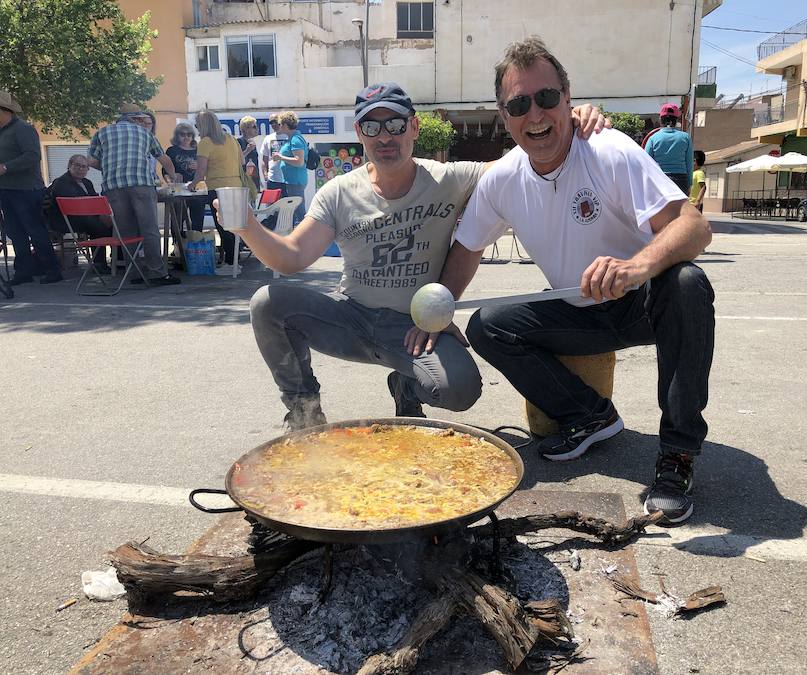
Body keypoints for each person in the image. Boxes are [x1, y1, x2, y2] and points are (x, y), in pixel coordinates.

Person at [443, 37, 714, 525]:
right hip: (577, 306)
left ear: (568, 98)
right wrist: (439, 310)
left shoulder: (607, 149)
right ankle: (591, 416)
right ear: (504, 116)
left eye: (547, 98)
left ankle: (678, 455)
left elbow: (694, 225)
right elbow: (466, 250)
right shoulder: (501, 178)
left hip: (641, 301)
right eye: (519, 104)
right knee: (488, 325)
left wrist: (636, 267)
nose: (536, 115)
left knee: (689, 284)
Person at [227, 82, 603, 431]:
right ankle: (303, 409)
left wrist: (563, 122)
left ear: (414, 128)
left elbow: (522, 162)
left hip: (415, 327)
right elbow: (291, 257)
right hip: (352, 318)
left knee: (461, 390)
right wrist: (247, 226)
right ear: (359, 135)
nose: (384, 136)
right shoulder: (338, 192)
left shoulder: (450, 178)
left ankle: (407, 386)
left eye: (394, 124)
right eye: (371, 128)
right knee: (267, 303)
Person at [88, 105, 180, 286]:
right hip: (141, 184)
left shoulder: (102, 133)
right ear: (136, 119)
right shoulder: (145, 134)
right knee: (149, 229)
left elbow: (91, 161)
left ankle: (135, 272)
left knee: (126, 232)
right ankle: (157, 273)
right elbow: (164, 159)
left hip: (113, 186)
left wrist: (110, 169)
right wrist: (172, 177)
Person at [0, 90, 63, 285]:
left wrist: (6, 166)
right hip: (6, 189)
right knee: (15, 232)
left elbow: (33, 156)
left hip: (27, 190)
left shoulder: (23, 129)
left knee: (35, 230)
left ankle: (52, 270)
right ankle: (23, 271)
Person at [188, 110, 246, 269]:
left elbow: (200, 173)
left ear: (203, 126)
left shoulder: (205, 142)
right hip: (237, 186)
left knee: (222, 226)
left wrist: (190, 185)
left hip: (218, 189)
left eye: (197, 125)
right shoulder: (231, 139)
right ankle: (234, 260)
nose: (197, 129)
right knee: (233, 227)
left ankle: (230, 263)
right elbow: (242, 161)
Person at [46, 154, 112, 273]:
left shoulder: (87, 182)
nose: (81, 169)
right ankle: (99, 264)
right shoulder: (61, 182)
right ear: (70, 165)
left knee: (115, 224)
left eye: (84, 167)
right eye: (77, 165)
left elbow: (94, 200)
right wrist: (99, 216)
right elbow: (76, 204)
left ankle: (119, 260)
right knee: (99, 226)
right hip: (66, 220)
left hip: (85, 217)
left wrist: (104, 214)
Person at [165, 123, 207, 233]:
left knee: (197, 219)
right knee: (177, 219)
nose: (186, 137)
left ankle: (195, 244)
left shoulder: (199, 149)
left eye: (189, 134)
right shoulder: (171, 150)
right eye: (182, 134)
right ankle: (177, 246)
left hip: (197, 189)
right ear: (177, 136)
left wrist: (199, 166)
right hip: (179, 190)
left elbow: (208, 167)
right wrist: (171, 179)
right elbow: (165, 170)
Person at [644, 103, 693, 195]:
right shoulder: (686, 138)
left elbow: (646, 163)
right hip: (681, 181)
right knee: (680, 209)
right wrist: (689, 184)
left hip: (660, 180)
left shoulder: (653, 138)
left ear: (660, 119)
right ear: (676, 120)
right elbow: (689, 163)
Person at [271, 111, 308, 224]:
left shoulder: (296, 139)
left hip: (295, 182)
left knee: (299, 212)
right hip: (291, 181)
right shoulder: (291, 138)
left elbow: (299, 161)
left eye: (280, 124)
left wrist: (281, 157)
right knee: (293, 211)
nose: (279, 126)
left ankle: (308, 237)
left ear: (286, 125)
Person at [260, 112, 289, 195]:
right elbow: (264, 160)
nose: (274, 124)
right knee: (272, 206)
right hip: (272, 180)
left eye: (275, 121)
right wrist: (266, 176)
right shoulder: (268, 138)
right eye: (271, 122)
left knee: (287, 206)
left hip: (288, 180)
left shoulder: (289, 136)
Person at [237, 116, 261, 192]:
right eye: (254, 126)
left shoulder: (252, 142)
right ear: (245, 129)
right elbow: (236, 160)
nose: (257, 129)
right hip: (245, 182)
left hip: (254, 181)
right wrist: (247, 150)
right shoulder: (239, 142)